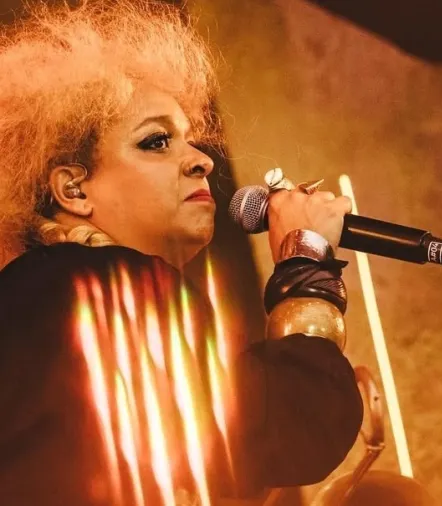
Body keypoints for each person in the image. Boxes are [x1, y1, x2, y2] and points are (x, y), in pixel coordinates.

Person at [0, 1, 362, 504]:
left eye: (190, 139)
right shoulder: (97, 286)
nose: (200, 161)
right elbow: (293, 423)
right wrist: (306, 259)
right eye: (156, 142)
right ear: (74, 190)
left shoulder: (38, 298)